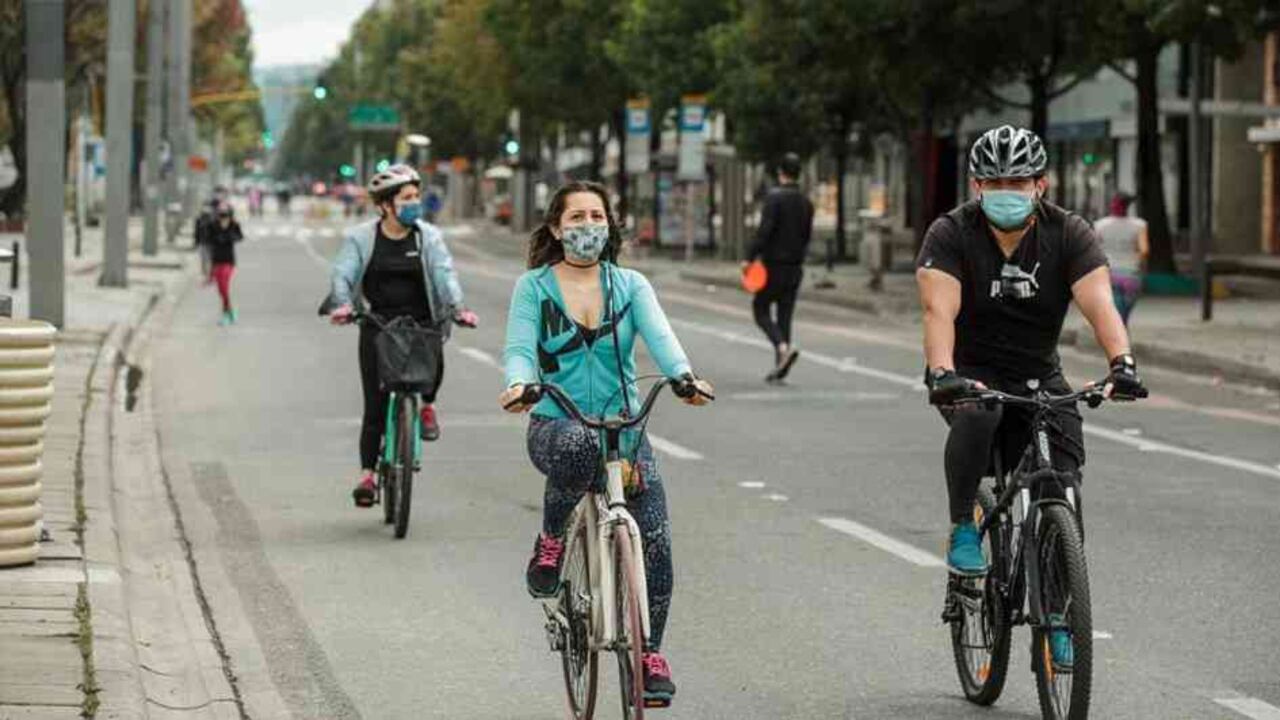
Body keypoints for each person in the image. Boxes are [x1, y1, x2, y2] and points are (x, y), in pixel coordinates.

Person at [916, 126, 1146, 668]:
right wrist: (943, 372)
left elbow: (1099, 303)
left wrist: (1122, 363)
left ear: (1041, 184)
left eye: (1017, 181)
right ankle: (964, 526)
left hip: (1040, 377)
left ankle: (1061, 615)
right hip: (970, 375)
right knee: (979, 414)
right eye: (994, 181)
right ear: (977, 185)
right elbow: (937, 310)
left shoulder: (1069, 233)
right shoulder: (950, 233)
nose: (1006, 191)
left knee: (1063, 487)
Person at [499, 181, 713, 706]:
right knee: (577, 447)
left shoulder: (631, 285)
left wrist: (684, 377)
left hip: (624, 431)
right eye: (576, 217)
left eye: (597, 216)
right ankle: (551, 540)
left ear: (610, 225)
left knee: (655, 537)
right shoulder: (533, 288)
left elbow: (661, 338)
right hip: (557, 424)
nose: (588, 226)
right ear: (556, 228)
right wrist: (520, 384)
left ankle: (650, 654)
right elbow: (519, 348)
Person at [327, 164, 479, 508]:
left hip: (422, 322)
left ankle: (428, 406)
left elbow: (444, 274)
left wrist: (458, 308)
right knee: (375, 405)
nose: (414, 203)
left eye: (416, 196)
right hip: (378, 325)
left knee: (433, 363)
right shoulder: (361, 237)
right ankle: (368, 475)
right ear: (385, 205)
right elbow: (343, 274)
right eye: (406, 198)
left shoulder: (428, 236)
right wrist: (342, 305)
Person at [745, 152, 814, 383]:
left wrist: (749, 257)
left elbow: (764, 232)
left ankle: (782, 347)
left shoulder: (774, 199)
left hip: (773, 265)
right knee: (785, 314)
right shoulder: (806, 203)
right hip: (795, 267)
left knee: (760, 308)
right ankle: (781, 365)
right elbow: (806, 236)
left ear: (780, 172)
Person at [1092, 192, 1149, 325]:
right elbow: (1144, 250)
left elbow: (1093, 250)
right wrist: (1139, 264)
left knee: (1115, 311)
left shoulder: (1100, 225)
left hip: (1108, 274)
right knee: (1124, 313)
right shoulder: (1140, 225)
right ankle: (1120, 332)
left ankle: (1118, 333)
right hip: (1131, 274)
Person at [198, 203, 243, 326]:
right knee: (221, 290)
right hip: (216, 261)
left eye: (226, 215)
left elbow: (239, 237)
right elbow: (206, 238)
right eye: (221, 215)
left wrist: (230, 237)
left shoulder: (234, 225)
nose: (223, 218)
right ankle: (230, 311)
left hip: (228, 261)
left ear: (230, 215)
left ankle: (225, 314)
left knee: (224, 286)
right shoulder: (213, 225)